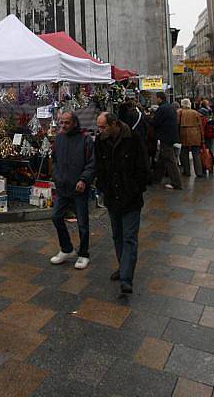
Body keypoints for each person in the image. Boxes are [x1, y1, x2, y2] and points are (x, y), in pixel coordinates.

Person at [95, 112, 149, 294]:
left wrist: (136, 188)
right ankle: (123, 267)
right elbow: (99, 167)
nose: (100, 131)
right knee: (117, 236)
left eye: (103, 127)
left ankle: (126, 278)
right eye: (99, 127)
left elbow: (143, 166)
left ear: (114, 124)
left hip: (130, 198)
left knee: (129, 238)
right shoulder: (100, 141)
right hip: (112, 197)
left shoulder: (133, 139)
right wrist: (102, 186)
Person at [50, 111, 95, 270]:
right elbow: (54, 160)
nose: (63, 126)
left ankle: (83, 254)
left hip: (79, 189)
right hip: (63, 187)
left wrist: (83, 179)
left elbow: (91, 163)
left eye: (66, 123)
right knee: (56, 216)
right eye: (61, 122)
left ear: (74, 123)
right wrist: (57, 176)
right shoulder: (59, 138)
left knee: (83, 223)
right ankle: (67, 249)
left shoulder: (85, 139)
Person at [150, 91, 182, 190]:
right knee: (162, 159)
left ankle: (176, 183)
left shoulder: (162, 108)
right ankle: (156, 179)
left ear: (160, 98)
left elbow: (155, 122)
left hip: (165, 137)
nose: (155, 100)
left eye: (156, 98)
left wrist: (148, 119)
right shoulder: (170, 107)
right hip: (170, 136)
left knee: (169, 160)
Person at [178, 98, 204, 177]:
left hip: (184, 133)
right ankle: (199, 172)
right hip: (196, 134)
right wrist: (202, 138)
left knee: (184, 153)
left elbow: (177, 123)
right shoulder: (195, 113)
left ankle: (187, 171)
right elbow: (200, 126)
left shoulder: (180, 112)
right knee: (196, 154)